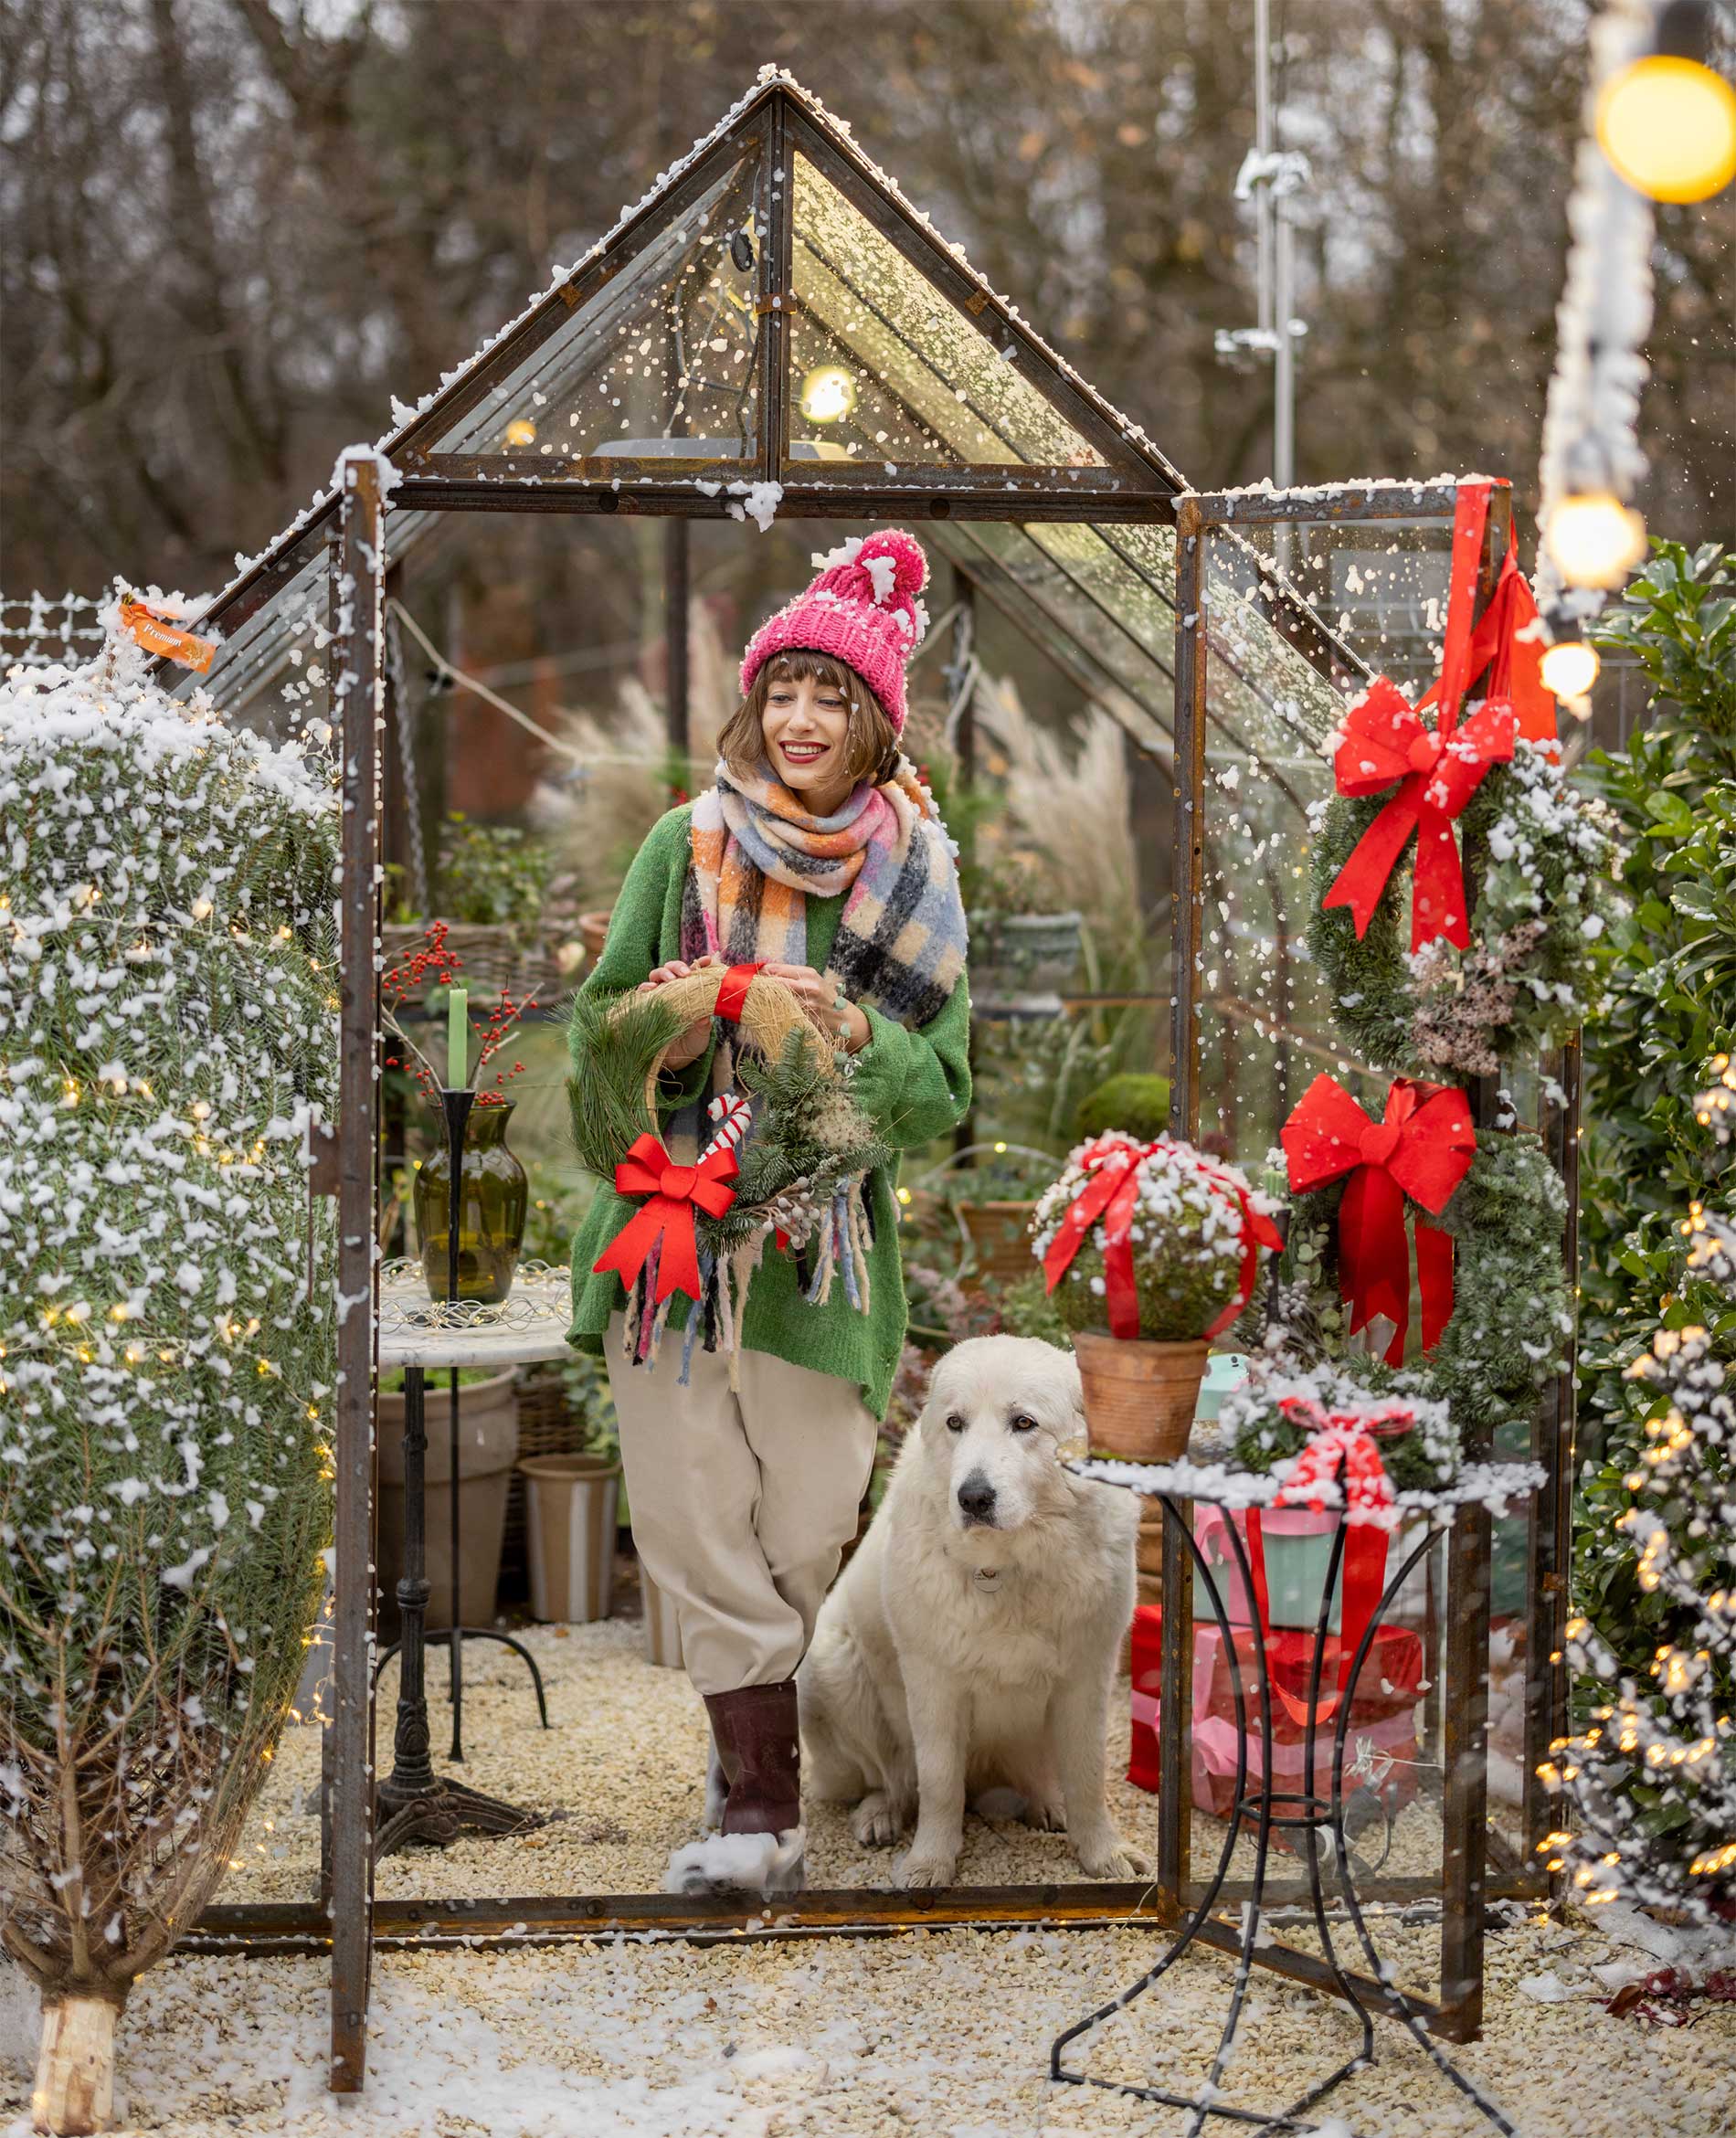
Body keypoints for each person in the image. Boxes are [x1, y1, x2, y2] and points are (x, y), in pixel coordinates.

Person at [566, 529, 971, 1893]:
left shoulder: (917, 872)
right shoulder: (679, 847)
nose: (800, 720)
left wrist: (851, 1034)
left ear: (873, 722)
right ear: (754, 703)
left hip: (820, 1242)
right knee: (690, 1504)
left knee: (807, 1515)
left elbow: (944, 1087)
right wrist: (689, 1016)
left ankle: (763, 1747)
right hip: (672, 1222)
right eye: (782, 691)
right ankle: (758, 1798)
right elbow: (596, 1035)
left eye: (829, 698)